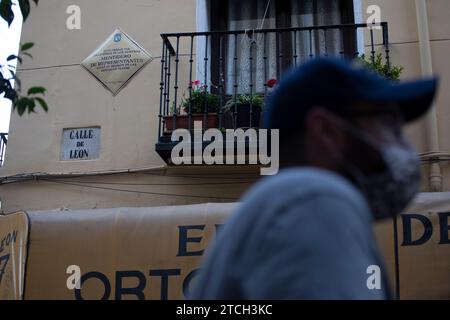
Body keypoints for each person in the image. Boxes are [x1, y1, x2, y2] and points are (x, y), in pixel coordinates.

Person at [189, 58, 438, 300]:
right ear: (326, 131)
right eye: (388, 124)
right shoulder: (313, 197)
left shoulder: (292, 201)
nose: (405, 145)